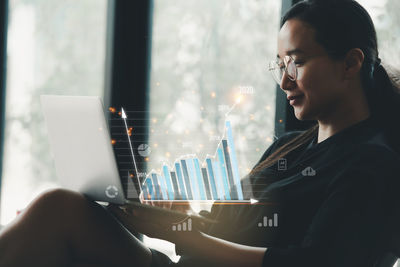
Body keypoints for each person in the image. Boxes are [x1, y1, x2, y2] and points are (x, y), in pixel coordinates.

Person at [1, 0, 400, 266]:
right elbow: (227, 225)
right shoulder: (289, 147)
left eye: (295, 62)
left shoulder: (372, 165)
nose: (284, 80)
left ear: (350, 64)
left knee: (55, 213)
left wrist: (187, 236)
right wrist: (172, 219)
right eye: (278, 65)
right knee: (57, 210)